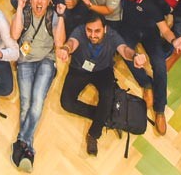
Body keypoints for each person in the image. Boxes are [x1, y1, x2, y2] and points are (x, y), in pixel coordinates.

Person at [57, 14, 145, 156]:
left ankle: (94, 134)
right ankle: (106, 117)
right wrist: (65, 49)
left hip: (103, 70)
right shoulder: (79, 31)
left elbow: (124, 49)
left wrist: (135, 56)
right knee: (66, 103)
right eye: (89, 30)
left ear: (104, 29)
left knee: (107, 97)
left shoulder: (112, 35)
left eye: (97, 31)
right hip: (79, 69)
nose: (92, 35)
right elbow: (72, 43)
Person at [119, 0, 181, 135]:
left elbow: (164, 30)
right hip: (130, 30)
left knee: (159, 66)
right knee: (125, 52)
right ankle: (146, 83)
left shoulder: (151, 3)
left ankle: (159, 110)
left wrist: (173, 41)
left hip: (150, 34)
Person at [10, 0, 66, 171]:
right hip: (25, 61)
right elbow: (15, 34)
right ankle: (28, 149)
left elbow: (59, 44)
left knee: (37, 102)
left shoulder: (53, 17)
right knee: (26, 103)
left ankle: (21, 142)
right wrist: (18, 8)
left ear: (49, 0)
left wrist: (61, 16)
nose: (39, 1)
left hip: (46, 61)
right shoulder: (23, 13)